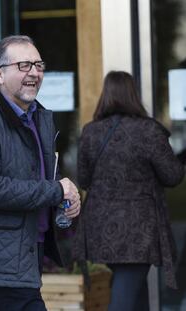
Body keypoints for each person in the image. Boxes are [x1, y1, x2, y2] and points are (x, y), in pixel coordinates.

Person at [0, 35, 81, 311]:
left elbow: (37, 173)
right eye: (24, 65)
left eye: (38, 65)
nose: (34, 72)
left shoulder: (38, 116)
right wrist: (55, 190)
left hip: (25, 247)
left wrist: (64, 193)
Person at [73, 71, 185, 311]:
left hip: (100, 227)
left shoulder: (91, 131)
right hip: (138, 230)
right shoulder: (148, 131)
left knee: (136, 295)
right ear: (133, 94)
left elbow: (83, 179)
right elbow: (173, 175)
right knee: (125, 298)